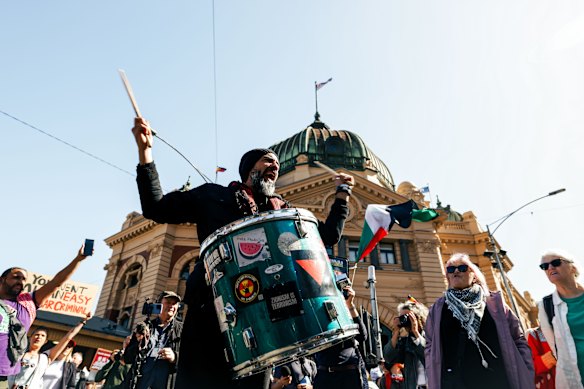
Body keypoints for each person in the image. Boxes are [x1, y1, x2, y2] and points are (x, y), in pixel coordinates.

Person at [131, 117, 353, 389]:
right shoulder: (213, 196)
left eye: (277, 164)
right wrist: (146, 153)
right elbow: (156, 208)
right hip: (212, 307)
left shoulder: (281, 210)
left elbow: (327, 237)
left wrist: (342, 195)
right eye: (268, 161)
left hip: (264, 316)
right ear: (249, 168)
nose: (275, 166)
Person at [424, 253, 534, 389]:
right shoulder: (437, 309)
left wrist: (526, 371)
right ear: (447, 276)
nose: (456, 271)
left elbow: (518, 338)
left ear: (474, 274)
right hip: (456, 381)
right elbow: (429, 346)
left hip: (497, 379)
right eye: (451, 269)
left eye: (462, 268)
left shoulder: (494, 303)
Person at [0, 245, 92, 387]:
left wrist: (78, 260)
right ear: (2, 279)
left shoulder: (27, 302)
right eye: (16, 277)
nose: (20, 281)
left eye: (24, 279)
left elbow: (56, 283)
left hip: (4, 374)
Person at [538, 249, 584, 388]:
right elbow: (555, 349)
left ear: (573, 267)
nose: (550, 268)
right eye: (544, 266)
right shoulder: (545, 306)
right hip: (576, 379)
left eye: (556, 262)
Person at [7, 314, 88, 389]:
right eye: (36, 334)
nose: (39, 337)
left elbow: (68, 337)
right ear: (30, 337)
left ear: (46, 341)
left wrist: (82, 322)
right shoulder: (19, 354)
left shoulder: (45, 357)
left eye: (42, 336)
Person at [123, 291, 182, 389]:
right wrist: (136, 343)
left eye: (174, 303)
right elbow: (128, 359)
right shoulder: (144, 327)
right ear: (158, 304)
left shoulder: (183, 330)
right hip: (141, 383)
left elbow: (192, 359)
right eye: (168, 302)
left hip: (166, 383)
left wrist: (175, 357)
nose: (171, 306)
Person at [313, 285, 368, 389]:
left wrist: (350, 305)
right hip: (325, 375)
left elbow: (362, 335)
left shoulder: (345, 313)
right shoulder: (315, 312)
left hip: (349, 375)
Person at [383, 297, 427, 389]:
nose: (404, 320)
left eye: (407, 317)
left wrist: (416, 332)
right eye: (402, 317)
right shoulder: (406, 342)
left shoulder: (430, 336)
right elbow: (388, 358)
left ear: (417, 317)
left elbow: (428, 354)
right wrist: (395, 333)